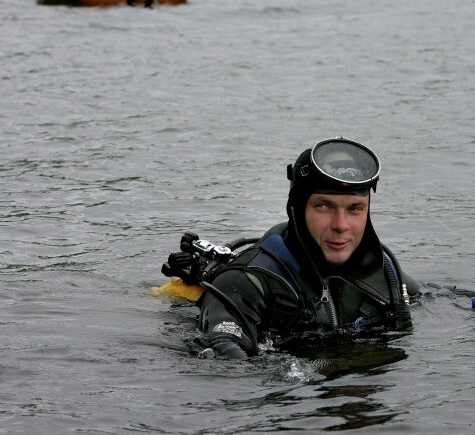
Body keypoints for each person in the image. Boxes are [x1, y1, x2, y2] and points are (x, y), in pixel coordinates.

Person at [171, 137, 421, 358]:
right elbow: (222, 347)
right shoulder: (248, 281)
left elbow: (441, 300)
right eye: (323, 206)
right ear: (298, 209)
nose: (341, 225)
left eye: (355, 209)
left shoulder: (385, 274)